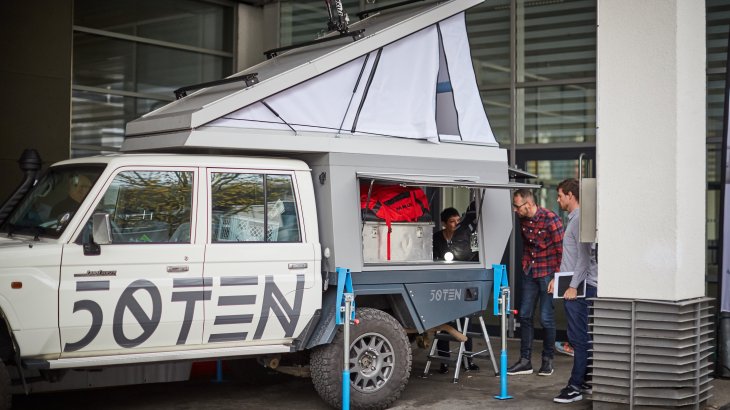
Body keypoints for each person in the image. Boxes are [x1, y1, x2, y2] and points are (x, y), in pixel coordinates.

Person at [549, 178, 598, 403]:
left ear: (571, 195)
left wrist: (572, 286)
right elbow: (571, 259)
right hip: (576, 285)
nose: (558, 200)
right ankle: (586, 381)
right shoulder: (576, 219)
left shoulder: (579, 220)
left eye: (560, 195)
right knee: (583, 337)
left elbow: (584, 259)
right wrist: (557, 280)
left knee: (579, 338)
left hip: (580, 288)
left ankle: (575, 386)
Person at [507, 189, 564, 376]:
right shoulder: (523, 219)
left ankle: (547, 361)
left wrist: (557, 278)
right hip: (530, 272)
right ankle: (525, 361)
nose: (515, 210)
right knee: (524, 316)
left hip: (548, 273)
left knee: (546, 318)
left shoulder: (551, 219)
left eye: (517, 206)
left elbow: (561, 251)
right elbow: (527, 245)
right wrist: (525, 264)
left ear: (528, 204)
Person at [433, 207, 478, 373]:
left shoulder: (467, 236)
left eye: (458, 221)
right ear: (444, 223)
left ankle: (468, 359)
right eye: (452, 221)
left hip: (463, 281)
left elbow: (473, 253)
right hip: (443, 283)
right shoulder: (437, 238)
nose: (456, 224)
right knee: (443, 321)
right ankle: (443, 361)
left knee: (466, 320)